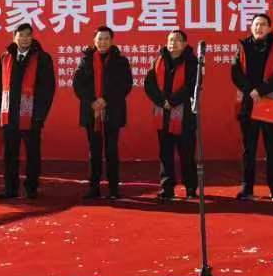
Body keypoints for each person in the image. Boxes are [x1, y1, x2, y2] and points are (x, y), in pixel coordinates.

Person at [0, 23, 55, 199]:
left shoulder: (42, 58)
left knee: (32, 154)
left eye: (28, 35)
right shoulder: (5, 57)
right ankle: (10, 189)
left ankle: (31, 188)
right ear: (14, 37)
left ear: (32, 37)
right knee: (10, 155)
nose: (25, 38)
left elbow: (48, 89)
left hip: (31, 115)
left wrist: (40, 115)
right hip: (9, 114)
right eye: (21, 35)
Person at [231, 13, 273, 201]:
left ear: (270, 28)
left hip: (270, 101)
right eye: (256, 24)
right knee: (248, 149)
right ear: (251, 27)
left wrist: (261, 90)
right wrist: (251, 90)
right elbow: (235, 73)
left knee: (272, 148)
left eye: (263, 24)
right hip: (248, 102)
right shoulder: (243, 47)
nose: (259, 27)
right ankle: (247, 188)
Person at [72, 26, 133, 199]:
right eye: (100, 39)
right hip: (91, 111)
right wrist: (93, 101)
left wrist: (105, 99)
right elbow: (78, 85)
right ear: (94, 41)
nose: (103, 42)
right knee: (94, 151)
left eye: (106, 39)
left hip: (113, 110)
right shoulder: (85, 60)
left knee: (112, 150)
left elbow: (125, 85)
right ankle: (94, 188)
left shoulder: (121, 61)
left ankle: (113, 189)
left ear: (112, 41)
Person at [144, 30, 199, 202]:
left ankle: (191, 188)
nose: (173, 43)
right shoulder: (158, 60)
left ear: (184, 43)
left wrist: (173, 101)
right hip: (163, 113)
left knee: (186, 153)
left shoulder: (192, 62)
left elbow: (192, 86)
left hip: (185, 114)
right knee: (165, 153)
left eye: (177, 40)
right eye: (170, 40)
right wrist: (162, 101)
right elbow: (149, 84)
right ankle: (167, 188)